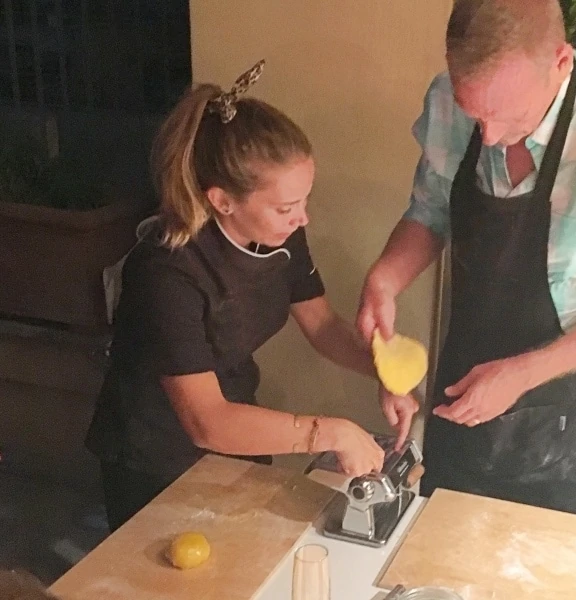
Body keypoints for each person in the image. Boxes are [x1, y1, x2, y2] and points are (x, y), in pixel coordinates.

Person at [357, 0, 576, 520]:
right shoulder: (449, 97)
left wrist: (522, 374)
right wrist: (384, 279)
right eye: (475, 115)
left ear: (560, 62)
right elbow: (429, 211)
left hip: (568, 406)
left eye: (506, 116)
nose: (486, 137)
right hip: (465, 370)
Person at [85, 60, 415, 532]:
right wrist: (332, 431)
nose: (303, 219)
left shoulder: (280, 236)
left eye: (304, 200)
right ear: (223, 201)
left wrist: (383, 370)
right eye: (286, 207)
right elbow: (206, 421)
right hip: (154, 459)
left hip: (239, 431)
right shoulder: (167, 272)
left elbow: (322, 326)